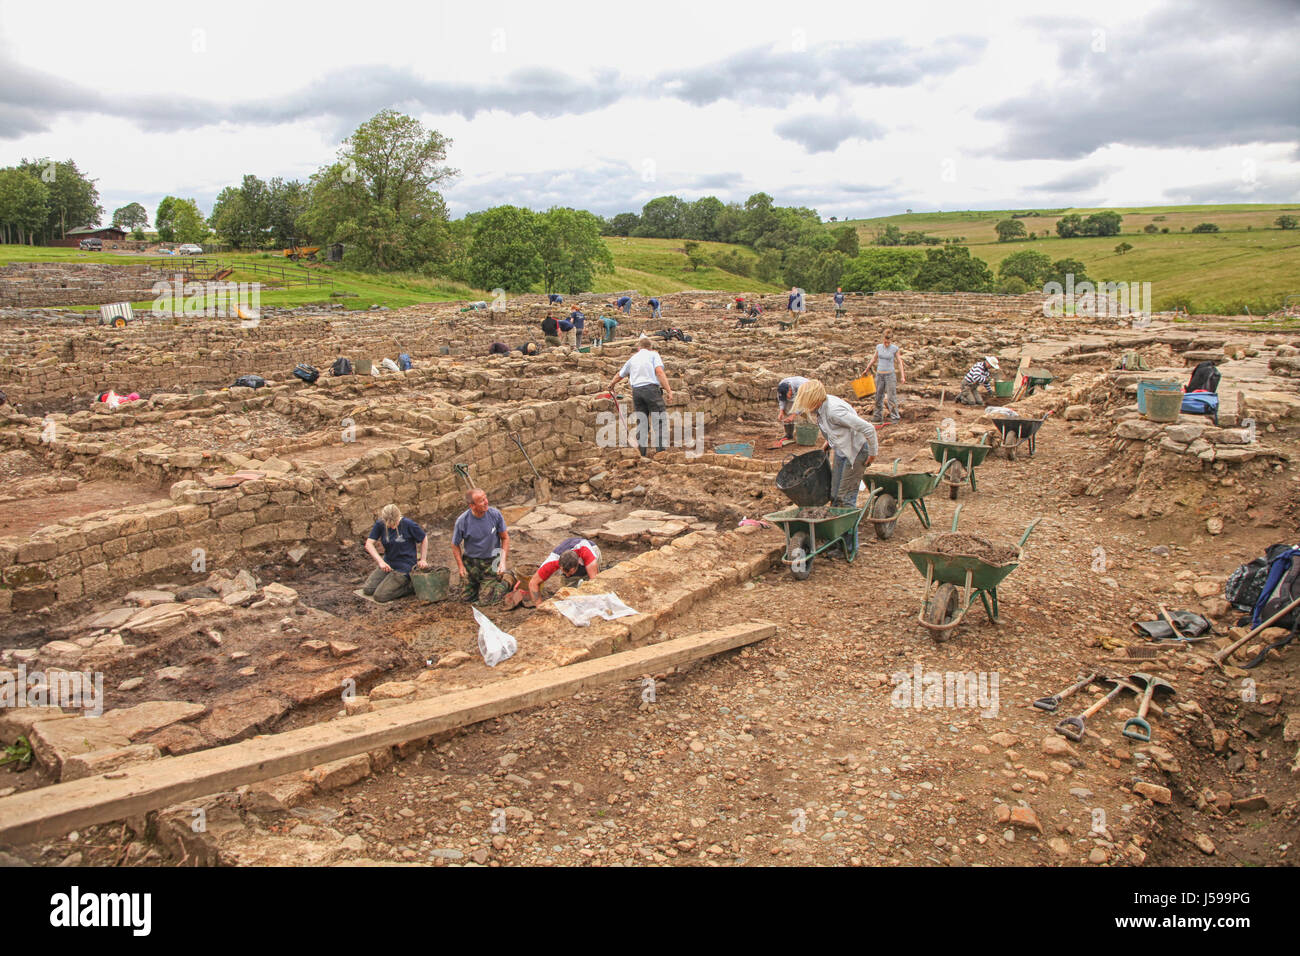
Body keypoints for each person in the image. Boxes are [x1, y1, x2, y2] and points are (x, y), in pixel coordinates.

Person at [791, 379, 877, 509]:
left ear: (814, 399)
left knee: (845, 497)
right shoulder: (822, 405)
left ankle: (849, 529)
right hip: (842, 450)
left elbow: (868, 429)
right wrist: (829, 442)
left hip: (856, 451)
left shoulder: (834, 411)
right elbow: (836, 428)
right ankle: (836, 525)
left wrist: (872, 453)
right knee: (834, 494)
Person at [608, 334, 673, 456]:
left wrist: (611, 384)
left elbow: (620, 374)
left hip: (637, 391)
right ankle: (661, 453)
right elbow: (659, 372)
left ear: (639, 348)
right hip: (651, 390)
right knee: (659, 422)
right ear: (650, 348)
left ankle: (642, 454)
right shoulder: (654, 354)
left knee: (642, 422)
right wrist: (669, 390)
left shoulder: (633, 358)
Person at [452, 489, 511, 606]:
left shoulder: (495, 515)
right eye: (481, 501)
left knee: (485, 601)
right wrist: (461, 566)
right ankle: (481, 584)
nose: (486, 502)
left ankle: (508, 580)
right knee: (465, 599)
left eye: (485, 498)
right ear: (472, 506)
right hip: (471, 563)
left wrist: (502, 562)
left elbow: (505, 538)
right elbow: (455, 545)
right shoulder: (462, 521)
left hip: (492, 561)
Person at [362, 504, 429, 603]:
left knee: (380, 596)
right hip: (388, 563)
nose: (393, 527)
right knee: (368, 590)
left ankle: (411, 586)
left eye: (395, 523)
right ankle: (390, 581)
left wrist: (423, 559)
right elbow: (369, 544)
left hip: (405, 566)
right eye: (389, 524)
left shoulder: (408, 524)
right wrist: (380, 562)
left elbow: (424, 538)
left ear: (399, 517)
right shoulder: (380, 524)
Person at [527, 536, 602, 603]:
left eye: (570, 572)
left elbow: (594, 581)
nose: (567, 575)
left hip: (592, 550)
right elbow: (533, 583)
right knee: (568, 594)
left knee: (590, 584)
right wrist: (539, 608)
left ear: (578, 563)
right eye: (565, 572)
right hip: (571, 558)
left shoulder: (588, 554)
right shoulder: (552, 562)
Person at [866, 329, 905, 424]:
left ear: (891, 340)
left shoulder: (894, 348)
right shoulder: (879, 347)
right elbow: (874, 358)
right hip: (879, 375)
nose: (886, 344)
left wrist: (902, 376)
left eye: (888, 342)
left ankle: (895, 418)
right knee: (878, 396)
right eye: (885, 342)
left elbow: (899, 362)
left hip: (890, 375)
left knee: (891, 397)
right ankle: (877, 416)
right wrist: (867, 368)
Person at [776, 376, 808, 442]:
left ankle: (807, 433)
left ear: (790, 389)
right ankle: (789, 434)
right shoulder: (781, 387)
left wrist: (793, 415)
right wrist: (781, 411)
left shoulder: (801, 386)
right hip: (795, 393)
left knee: (804, 413)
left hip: (807, 392)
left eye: (787, 395)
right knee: (787, 410)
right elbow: (782, 400)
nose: (786, 398)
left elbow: (802, 403)